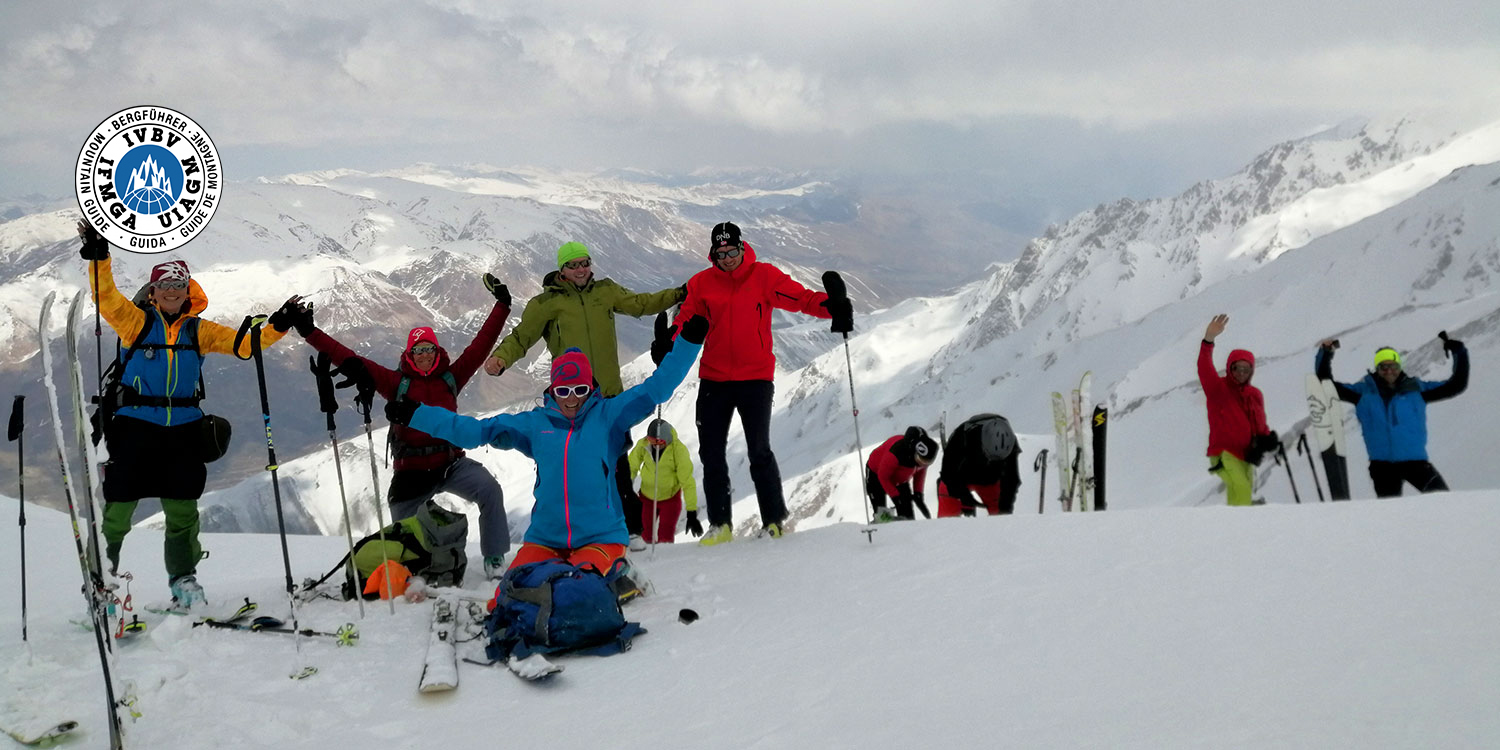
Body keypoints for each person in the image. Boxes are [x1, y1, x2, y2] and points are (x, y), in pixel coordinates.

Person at [389, 316, 708, 578]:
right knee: (515, 594)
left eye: (580, 389)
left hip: (601, 537)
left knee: (579, 587)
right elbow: (474, 431)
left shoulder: (608, 417)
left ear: (591, 389)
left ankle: (615, 574)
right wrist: (417, 415)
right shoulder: (534, 424)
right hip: (546, 539)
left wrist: (688, 344)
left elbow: (657, 388)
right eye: (564, 389)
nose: (571, 398)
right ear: (552, 389)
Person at [77, 220, 291, 606]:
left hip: (185, 432)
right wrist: (99, 256)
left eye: (179, 285)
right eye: (165, 286)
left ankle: (183, 579)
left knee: (182, 510)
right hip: (134, 427)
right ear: (154, 292)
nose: (172, 291)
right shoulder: (136, 322)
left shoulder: (200, 330)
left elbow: (245, 346)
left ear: (188, 290)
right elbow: (105, 298)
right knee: (118, 509)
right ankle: (101, 582)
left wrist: (279, 325)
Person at [271, 274, 515, 579]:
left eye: (429, 350)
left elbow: (481, 346)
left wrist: (502, 306)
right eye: (419, 350)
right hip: (411, 472)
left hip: (451, 463)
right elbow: (349, 357)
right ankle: (419, 566)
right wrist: (308, 331)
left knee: (489, 489)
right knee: (404, 533)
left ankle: (494, 556)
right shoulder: (395, 383)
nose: (425, 355)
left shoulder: (451, 378)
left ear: (438, 353)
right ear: (409, 355)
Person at [483, 241, 685, 551]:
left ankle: (628, 529)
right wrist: (501, 358)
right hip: (571, 399)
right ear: (561, 270)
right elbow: (522, 337)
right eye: (573, 264)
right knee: (574, 466)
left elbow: (640, 304)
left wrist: (677, 295)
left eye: (584, 263)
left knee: (616, 463)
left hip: (606, 396)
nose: (580, 269)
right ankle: (574, 530)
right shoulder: (546, 303)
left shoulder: (605, 291)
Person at [671, 221, 853, 545]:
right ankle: (720, 525)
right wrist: (668, 342)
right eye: (721, 253)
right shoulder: (701, 284)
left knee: (759, 451)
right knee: (711, 453)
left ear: (743, 247)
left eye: (732, 251)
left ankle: (774, 521)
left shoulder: (764, 276)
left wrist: (832, 307)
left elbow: (802, 299)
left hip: (755, 378)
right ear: (713, 253)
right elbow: (685, 319)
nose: (727, 258)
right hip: (714, 377)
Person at [1315, 336, 1468, 497]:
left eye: (1393, 366)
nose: (1389, 371)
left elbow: (1456, 385)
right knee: (1389, 515)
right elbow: (1326, 386)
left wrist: (1459, 352)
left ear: (1400, 367)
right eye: (1383, 367)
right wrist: (1326, 353)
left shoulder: (1417, 390)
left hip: (1416, 463)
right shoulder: (1362, 393)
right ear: (1377, 369)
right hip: (1383, 467)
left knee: (1444, 500)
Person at [1198, 314, 1280, 507]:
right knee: (1242, 487)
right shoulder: (1217, 389)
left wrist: (1266, 440)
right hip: (1223, 453)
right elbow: (1204, 368)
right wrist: (1208, 340)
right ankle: (1243, 528)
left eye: (1246, 369)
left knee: (1242, 492)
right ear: (1230, 368)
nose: (1241, 373)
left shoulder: (1254, 395)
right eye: (1237, 368)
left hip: (1246, 453)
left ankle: (1237, 529)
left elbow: (1259, 425)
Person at [627, 418, 701, 544]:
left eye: (659, 442)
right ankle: (647, 561)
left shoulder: (678, 450)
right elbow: (631, 468)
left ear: (667, 440)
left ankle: (664, 561)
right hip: (647, 497)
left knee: (665, 536)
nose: (655, 446)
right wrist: (626, 489)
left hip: (670, 499)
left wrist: (691, 511)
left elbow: (687, 481)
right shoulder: (643, 445)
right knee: (644, 534)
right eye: (652, 441)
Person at [935, 414, 1021, 517]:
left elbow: (1011, 479)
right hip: (960, 477)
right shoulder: (962, 436)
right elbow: (948, 474)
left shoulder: (1009, 442)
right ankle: (944, 531)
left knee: (1000, 513)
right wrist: (964, 496)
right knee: (947, 508)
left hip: (990, 480)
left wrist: (1004, 510)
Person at [865, 426, 938, 521]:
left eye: (927, 462)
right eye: (922, 460)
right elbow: (883, 477)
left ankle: (908, 532)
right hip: (876, 475)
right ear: (913, 451)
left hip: (899, 480)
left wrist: (918, 493)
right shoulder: (894, 454)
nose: (923, 464)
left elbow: (920, 472)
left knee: (908, 515)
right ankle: (883, 531)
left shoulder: (921, 457)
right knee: (882, 514)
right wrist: (895, 497)